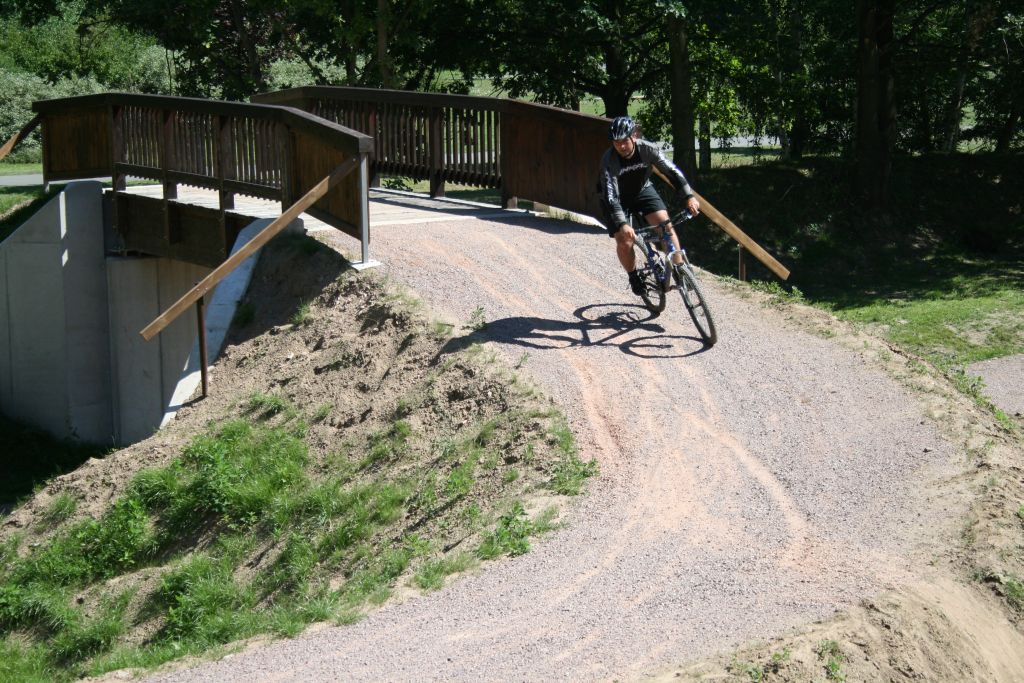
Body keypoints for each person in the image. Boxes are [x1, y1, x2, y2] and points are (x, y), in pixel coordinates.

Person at [598, 116, 701, 296]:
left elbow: (672, 171)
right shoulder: (609, 161)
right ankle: (633, 276)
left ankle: (679, 270)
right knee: (624, 240)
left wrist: (689, 196)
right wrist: (622, 224)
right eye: (616, 142)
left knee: (666, 226)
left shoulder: (648, 149)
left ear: (634, 137)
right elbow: (611, 196)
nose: (621, 146)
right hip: (617, 199)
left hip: (642, 190)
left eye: (624, 141)